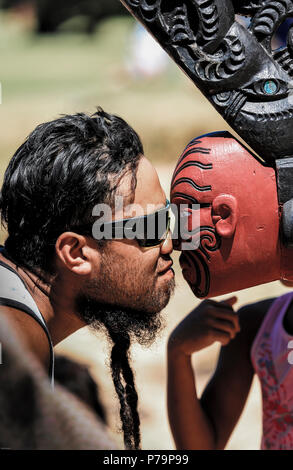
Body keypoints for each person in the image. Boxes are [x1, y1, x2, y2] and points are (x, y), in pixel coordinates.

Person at [0, 108, 174, 450]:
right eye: (150, 229)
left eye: (167, 219)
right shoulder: (17, 341)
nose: (168, 243)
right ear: (76, 253)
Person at [168, 132, 293, 450]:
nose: (175, 241)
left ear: (225, 216)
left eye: (187, 213)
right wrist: (179, 353)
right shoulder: (256, 327)